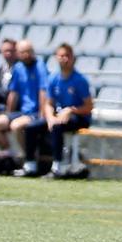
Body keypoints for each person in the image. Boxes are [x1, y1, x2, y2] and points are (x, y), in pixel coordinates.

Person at [0, 42, 48, 177]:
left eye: (28, 51)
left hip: (35, 112)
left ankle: (30, 162)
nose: (26, 55)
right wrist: (8, 114)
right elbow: (13, 93)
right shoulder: (18, 68)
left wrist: (42, 113)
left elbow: (43, 92)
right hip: (22, 111)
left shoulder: (40, 67)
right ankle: (10, 158)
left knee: (16, 126)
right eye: (22, 52)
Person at [39, 44, 94, 177]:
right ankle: (30, 164)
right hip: (59, 115)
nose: (64, 59)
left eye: (67, 56)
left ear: (73, 58)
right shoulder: (53, 78)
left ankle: (57, 166)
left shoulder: (79, 80)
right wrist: (50, 117)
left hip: (80, 117)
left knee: (58, 126)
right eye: (61, 56)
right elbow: (49, 104)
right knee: (32, 127)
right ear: (56, 58)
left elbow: (89, 107)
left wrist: (71, 110)